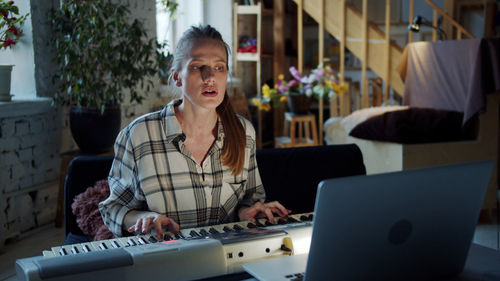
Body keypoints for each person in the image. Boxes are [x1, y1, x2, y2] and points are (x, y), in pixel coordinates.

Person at [99, 25, 290, 238]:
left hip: (226, 255)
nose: (210, 77)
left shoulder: (244, 132)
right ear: (177, 77)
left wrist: (249, 212)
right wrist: (143, 218)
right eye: (198, 66)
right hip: (164, 258)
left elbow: (250, 199)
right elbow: (113, 209)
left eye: (219, 67)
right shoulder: (138, 135)